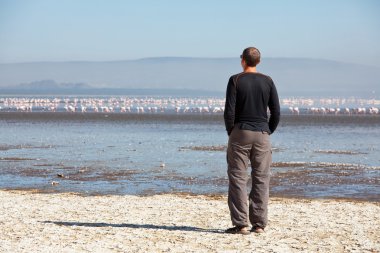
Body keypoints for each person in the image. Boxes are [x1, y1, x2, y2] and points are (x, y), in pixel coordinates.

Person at [224, 47, 280, 235]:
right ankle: (259, 224)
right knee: (262, 178)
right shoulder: (268, 80)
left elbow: (229, 111)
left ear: (243, 60)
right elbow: (276, 112)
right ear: (259, 61)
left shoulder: (236, 79)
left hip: (241, 132)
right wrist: (268, 130)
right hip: (262, 133)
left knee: (238, 177)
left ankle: (241, 224)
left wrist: (231, 131)